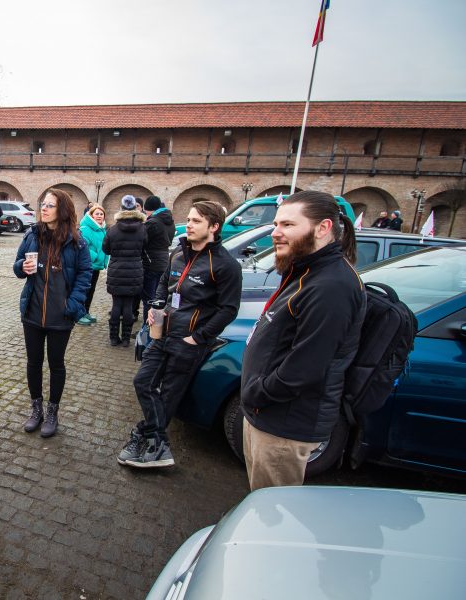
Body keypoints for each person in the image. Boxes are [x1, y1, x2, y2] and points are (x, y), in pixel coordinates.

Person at [241, 190, 366, 490]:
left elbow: (307, 367)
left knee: (273, 511)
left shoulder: (331, 286)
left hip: (284, 424)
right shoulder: (308, 271)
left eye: (287, 225)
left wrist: (258, 393)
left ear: (322, 228)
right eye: (276, 224)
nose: (275, 233)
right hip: (269, 416)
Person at [119, 200, 241, 468]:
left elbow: (228, 309)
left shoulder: (225, 265)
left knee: (169, 395)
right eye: (189, 219)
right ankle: (156, 441)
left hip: (188, 342)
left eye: (196, 221)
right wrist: (155, 306)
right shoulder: (178, 252)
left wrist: (198, 337)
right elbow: (165, 283)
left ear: (214, 226)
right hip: (162, 334)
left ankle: (151, 440)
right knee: (143, 382)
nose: (189, 224)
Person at [14, 188, 91, 438]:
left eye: (49, 205)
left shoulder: (77, 242)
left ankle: (52, 412)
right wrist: (22, 267)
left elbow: (84, 276)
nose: (43, 209)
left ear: (62, 210)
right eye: (43, 205)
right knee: (33, 363)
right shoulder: (32, 234)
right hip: (33, 313)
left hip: (61, 316)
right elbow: (16, 266)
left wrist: (73, 305)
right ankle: (36, 409)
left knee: (56, 364)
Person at [102, 195, 146, 347]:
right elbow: (145, 247)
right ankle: (126, 339)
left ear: (121, 209)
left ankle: (114, 338)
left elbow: (105, 249)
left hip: (116, 270)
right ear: (135, 209)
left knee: (116, 304)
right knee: (128, 305)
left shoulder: (113, 230)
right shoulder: (142, 229)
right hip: (134, 271)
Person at [141, 195, 175, 322]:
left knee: (149, 299)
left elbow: (142, 240)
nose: (146, 213)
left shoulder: (153, 222)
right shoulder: (170, 221)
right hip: (164, 260)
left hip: (151, 262)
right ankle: (158, 324)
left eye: (146, 211)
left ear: (150, 209)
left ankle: (148, 327)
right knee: (159, 295)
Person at [76, 203, 108, 326]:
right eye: (97, 214)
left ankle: (86, 312)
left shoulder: (102, 229)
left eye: (101, 214)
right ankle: (79, 314)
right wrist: (95, 257)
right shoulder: (85, 229)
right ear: (91, 215)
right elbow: (82, 246)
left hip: (96, 266)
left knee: (91, 290)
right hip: (87, 265)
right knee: (84, 290)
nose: (99, 216)